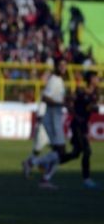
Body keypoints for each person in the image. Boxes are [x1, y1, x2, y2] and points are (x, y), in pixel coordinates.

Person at [23, 59, 69, 189]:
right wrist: (61, 104)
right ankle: (32, 163)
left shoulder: (59, 80)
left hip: (56, 118)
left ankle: (45, 178)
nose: (64, 67)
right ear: (56, 67)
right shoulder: (54, 80)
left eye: (65, 65)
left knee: (58, 152)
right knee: (61, 152)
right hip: (52, 119)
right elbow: (45, 97)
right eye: (61, 65)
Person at [59, 71, 99, 189]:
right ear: (90, 79)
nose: (98, 80)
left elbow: (90, 109)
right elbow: (67, 101)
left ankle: (52, 162)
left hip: (84, 125)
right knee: (87, 151)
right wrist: (75, 114)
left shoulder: (95, 93)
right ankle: (87, 179)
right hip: (77, 125)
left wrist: (93, 109)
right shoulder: (80, 91)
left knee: (76, 153)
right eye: (96, 78)